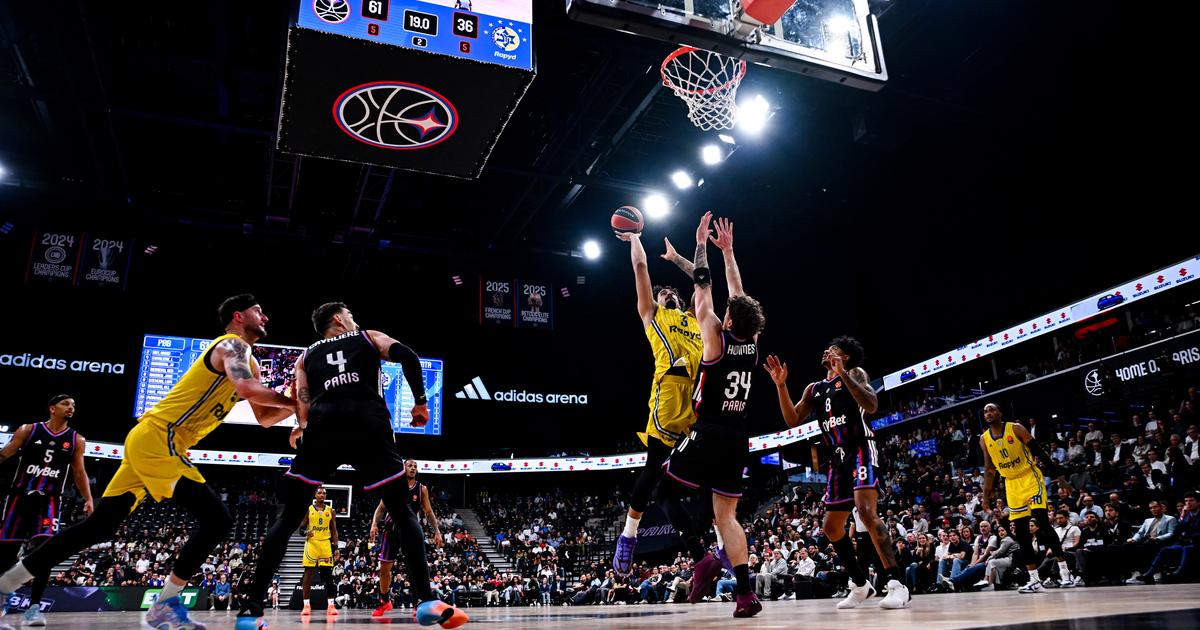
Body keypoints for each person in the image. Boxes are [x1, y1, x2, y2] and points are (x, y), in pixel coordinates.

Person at [0, 294, 297, 630]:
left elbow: (264, 418)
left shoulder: (251, 362)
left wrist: (297, 406)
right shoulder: (232, 345)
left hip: (156, 442)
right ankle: (164, 605)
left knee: (97, 527)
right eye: (260, 311)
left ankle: (4, 585)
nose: (267, 317)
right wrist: (297, 401)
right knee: (217, 519)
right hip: (161, 437)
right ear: (238, 316)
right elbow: (247, 389)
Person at [236, 303, 467, 629]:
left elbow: (303, 399)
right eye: (351, 316)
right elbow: (409, 357)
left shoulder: (305, 356)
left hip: (323, 429)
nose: (354, 320)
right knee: (401, 512)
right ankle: (427, 602)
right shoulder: (367, 337)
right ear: (337, 319)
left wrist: (302, 427)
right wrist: (420, 402)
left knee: (288, 518)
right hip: (367, 424)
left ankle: (250, 611)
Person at [611, 217, 743, 576]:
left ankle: (722, 547)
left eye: (670, 292)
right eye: (660, 292)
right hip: (668, 400)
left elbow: (703, 283)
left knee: (707, 482)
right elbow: (640, 267)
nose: (665, 293)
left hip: (701, 406)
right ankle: (628, 537)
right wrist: (636, 238)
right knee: (653, 472)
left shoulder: (695, 320)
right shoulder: (652, 315)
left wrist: (678, 259)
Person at [657, 212, 766, 617]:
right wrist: (728, 252)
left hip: (710, 429)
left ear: (730, 319)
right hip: (739, 437)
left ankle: (701, 556)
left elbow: (703, 288)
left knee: (664, 490)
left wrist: (701, 244)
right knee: (727, 517)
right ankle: (745, 593)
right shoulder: (751, 341)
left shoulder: (714, 337)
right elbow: (735, 291)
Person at [764, 337, 911, 609]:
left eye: (835, 351)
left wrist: (843, 372)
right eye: (829, 349)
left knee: (866, 512)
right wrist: (781, 386)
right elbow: (793, 420)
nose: (827, 351)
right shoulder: (814, 388)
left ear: (846, 358)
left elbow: (872, 405)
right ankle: (859, 584)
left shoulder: (855, 375)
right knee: (831, 528)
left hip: (860, 449)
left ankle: (896, 583)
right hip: (837, 458)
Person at [0, 395, 93, 627]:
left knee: (45, 554)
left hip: (49, 502)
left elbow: (79, 472)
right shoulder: (28, 430)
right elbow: (5, 453)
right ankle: (2, 602)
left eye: (73, 405)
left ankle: (34, 608)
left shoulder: (76, 439)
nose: (71, 408)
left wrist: (88, 499)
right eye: (66, 404)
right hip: (19, 498)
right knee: (6, 554)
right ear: (52, 408)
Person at [980, 403, 1074, 593]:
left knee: (1042, 523)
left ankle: (1065, 573)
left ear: (1000, 413)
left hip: (1030, 478)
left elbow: (1040, 452)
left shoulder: (1015, 428)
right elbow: (990, 470)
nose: (988, 413)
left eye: (992, 410)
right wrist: (985, 497)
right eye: (985, 411)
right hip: (1011, 484)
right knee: (1022, 533)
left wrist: (1061, 477)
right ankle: (1034, 580)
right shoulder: (984, 439)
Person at [370, 460, 442, 617]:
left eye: (415, 467)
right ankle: (384, 601)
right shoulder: (393, 486)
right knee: (384, 569)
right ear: (403, 468)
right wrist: (374, 524)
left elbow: (428, 512)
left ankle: (418, 603)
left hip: (409, 530)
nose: (413, 468)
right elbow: (381, 508)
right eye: (410, 466)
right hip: (391, 530)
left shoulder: (422, 489)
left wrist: (436, 531)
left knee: (414, 568)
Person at [299, 487, 338, 616]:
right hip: (312, 543)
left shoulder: (331, 511)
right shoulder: (308, 509)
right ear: (315, 494)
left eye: (324, 493)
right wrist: (306, 532)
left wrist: (336, 547)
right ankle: (306, 605)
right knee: (308, 574)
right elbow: (301, 529)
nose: (322, 495)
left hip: (325, 544)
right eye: (319, 493)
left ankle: (331, 605)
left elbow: (334, 530)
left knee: (328, 576)